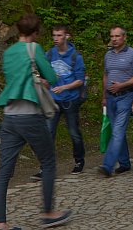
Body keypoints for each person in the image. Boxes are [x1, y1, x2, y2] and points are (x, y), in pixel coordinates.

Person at [0, 12, 72, 230]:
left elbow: (14, 78)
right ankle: (48, 213)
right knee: (48, 162)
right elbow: (52, 77)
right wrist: (43, 80)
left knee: (5, 169)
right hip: (30, 114)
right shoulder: (34, 49)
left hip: (10, 115)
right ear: (35, 32)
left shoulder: (8, 52)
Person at [99, 25, 133, 176]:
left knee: (118, 130)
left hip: (125, 96)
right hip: (110, 97)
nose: (114, 39)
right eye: (112, 36)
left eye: (117, 36)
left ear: (124, 37)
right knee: (117, 131)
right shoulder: (108, 55)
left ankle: (107, 165)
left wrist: (123, 85)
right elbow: (106, 75)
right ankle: (124, 163)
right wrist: (104, 96)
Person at [43, 25, 86, 175]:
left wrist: (64, 87)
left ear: (67, 36)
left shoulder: (75, 57)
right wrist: (44, 79)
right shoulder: (49, 54)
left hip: (70, 100)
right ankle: (45, 166)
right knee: (48, 132)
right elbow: (43, 74)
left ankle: (79, 160)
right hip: (53, 100)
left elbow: (80, 80)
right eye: (54, 35)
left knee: (73, 132)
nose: (56, 38)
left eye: (59, 35)